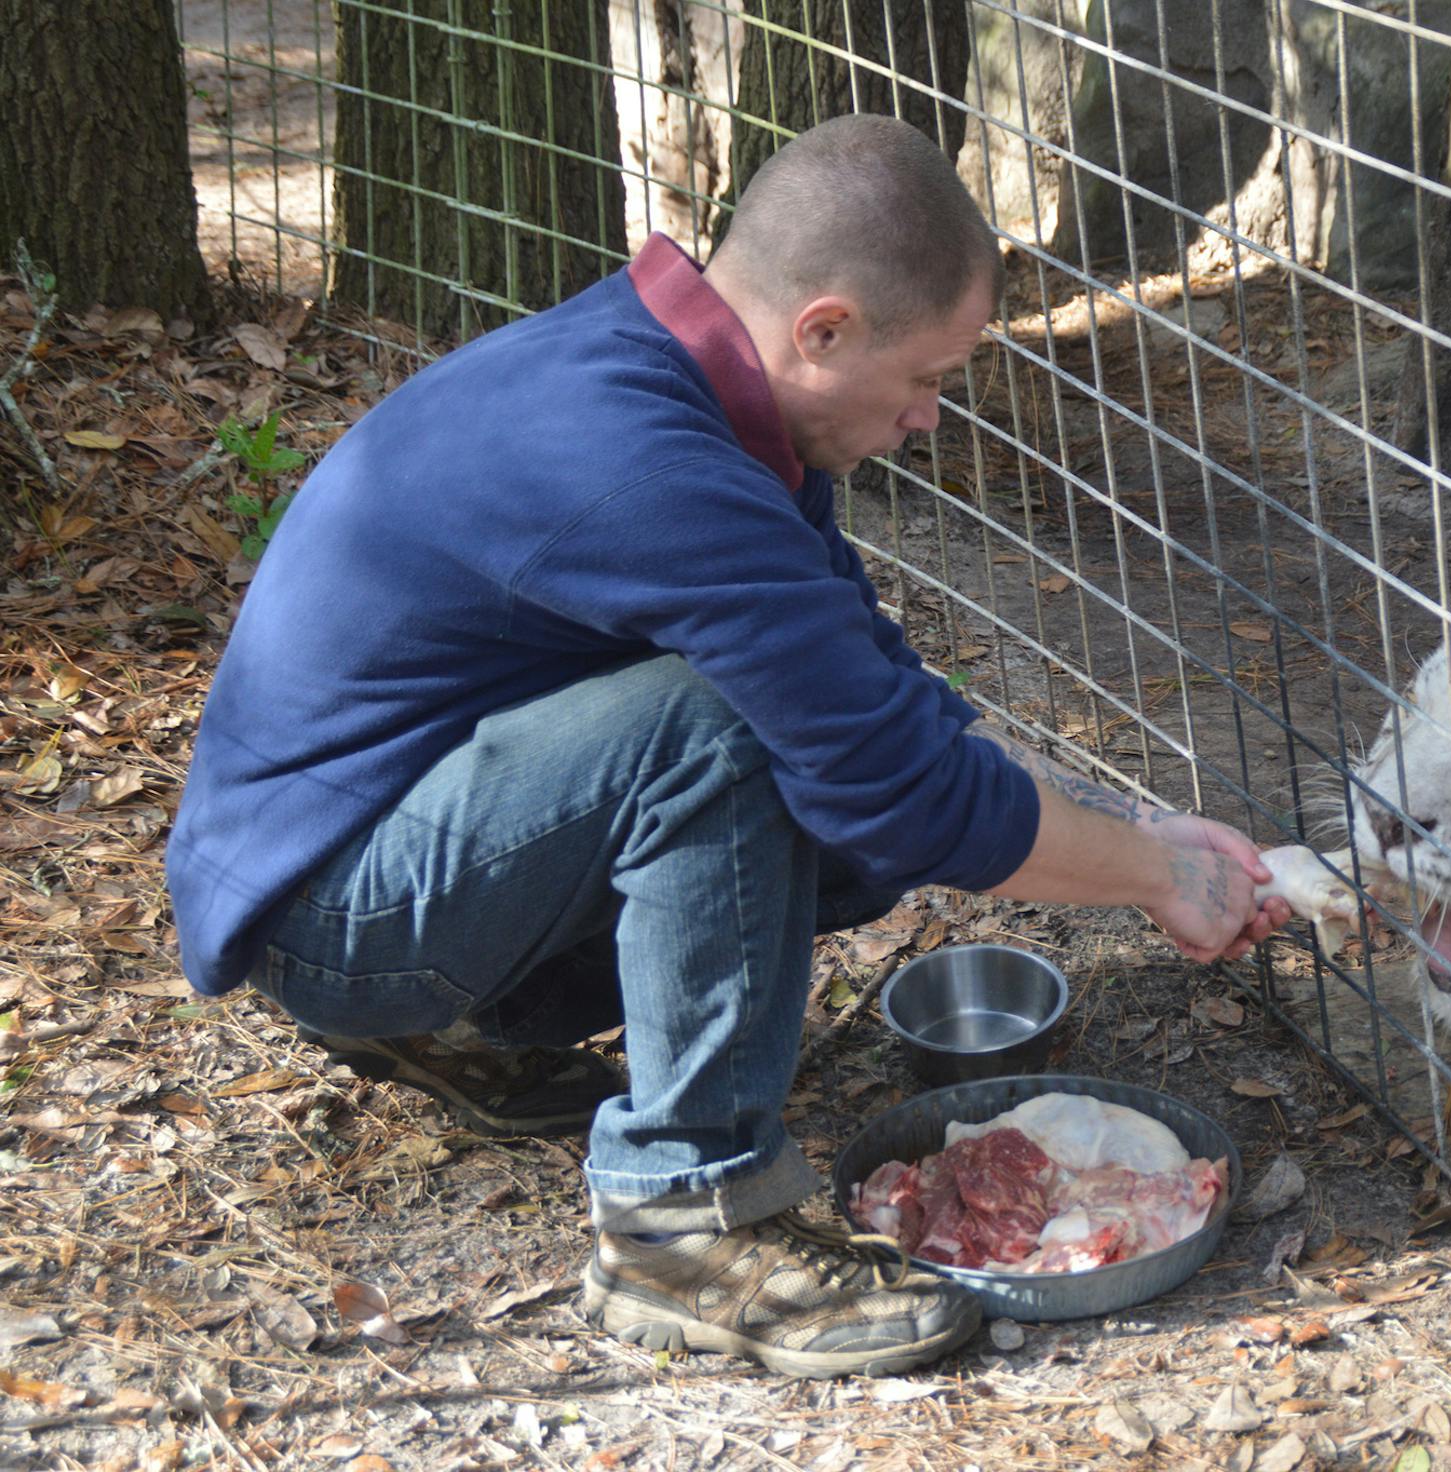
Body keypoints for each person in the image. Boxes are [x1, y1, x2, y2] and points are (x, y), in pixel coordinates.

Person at [166, 113, 1291, 1380]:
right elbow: (899, 784)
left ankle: (466, 1019)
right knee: (731, 730)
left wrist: (1126, 829)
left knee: (826, 774)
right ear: (824, 329)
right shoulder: (655, 464)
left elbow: (870, 690)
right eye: (927, 378)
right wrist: (1154, 874)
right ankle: (683, 1223)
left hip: (379, 833)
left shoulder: (695, 381)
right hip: (330, 906)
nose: (928, 418)